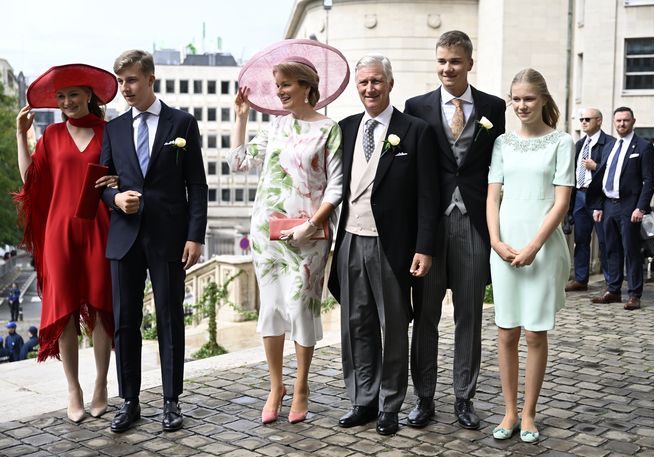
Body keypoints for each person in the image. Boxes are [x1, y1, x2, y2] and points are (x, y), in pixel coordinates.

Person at [328, 55, 440, 436]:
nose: (369, 89)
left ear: (390, 84)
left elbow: (428, 196)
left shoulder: (415, 131)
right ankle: (363, 399)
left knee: (393, 327)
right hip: (350, 241)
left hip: (393, 246)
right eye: (363, 83)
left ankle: (391, 403)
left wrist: (424, 248)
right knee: (355, 324)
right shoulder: (344, 129)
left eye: (376, 81)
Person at [229, 56, 343, 425]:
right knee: (273, 310)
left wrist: (312, 224)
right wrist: (242, 117)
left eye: (286, 85)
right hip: (267, 233)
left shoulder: (329, 129)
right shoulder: (274, 127)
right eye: (277, 85)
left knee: (300, 310)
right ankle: (276, 386)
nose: (279, 92)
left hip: (309, 235)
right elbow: (238, 163)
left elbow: (336, 186)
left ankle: (301, 387)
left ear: (307, 87)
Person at [100, 50, 207, 433]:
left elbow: (196, 185)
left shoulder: (182, 123)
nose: (124, 88)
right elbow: (102, 183)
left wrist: (195, 236)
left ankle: (171, 401)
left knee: (169, 319)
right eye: (120, 81)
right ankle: (129, 402)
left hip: (169, 238)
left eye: (131, 80)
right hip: (124, 238)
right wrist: (115, 198)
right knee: (126, 322)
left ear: (150, 79)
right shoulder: (112, 129)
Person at [403, 30, 506, 429]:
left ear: (469, 63)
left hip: (475, 224)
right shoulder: (417, 106)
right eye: (442, 61)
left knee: (469, 316)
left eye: (456, 61)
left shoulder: (494, 108)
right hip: (430, 227)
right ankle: (424, 399)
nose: (448, 68)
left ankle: (465, 398)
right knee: (425, 316)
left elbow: (499, 166)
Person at [14, 63, 117, 422]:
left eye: (74, 94)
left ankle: (102, 383)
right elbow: (31, 181)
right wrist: (21, 135)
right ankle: (73, 389)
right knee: (65, 310)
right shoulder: (52, 137)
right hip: (60, 233)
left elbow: (124, 176)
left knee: (104, 306)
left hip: (100, 228)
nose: (67, 101)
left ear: (89, 95)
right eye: (61, 96)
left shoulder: (111, 132)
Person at [485, 69, 574, 443]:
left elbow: (562, 201)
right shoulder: (502, 143)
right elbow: (492, 196)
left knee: (535, 334)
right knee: (506, 333)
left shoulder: (562, 141)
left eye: (529, 99)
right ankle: (508, 411)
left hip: (541, 247)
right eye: (516, 99)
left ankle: (529, 413)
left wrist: (535, 246)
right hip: (504, 246)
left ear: (543, 100)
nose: (521, 106)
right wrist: (495, 241)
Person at [589, 107, 654, 310]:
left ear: (633, 121)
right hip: (608, 205)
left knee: (631, 251)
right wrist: (598, 205)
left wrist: (641, 208)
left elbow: (649, 181)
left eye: (625, 120)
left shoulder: (643, 146)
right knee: (611, 249)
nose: (621, 124)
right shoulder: (610, 146)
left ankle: (635, 294)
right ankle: (614, 290)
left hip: (630, 206)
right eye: (618, 121)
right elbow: (601, 177)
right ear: (613, 122)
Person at [565, 108, 613, 292]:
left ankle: (611, 282)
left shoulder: (610, 143)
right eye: (581, 119)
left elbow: (616, 172)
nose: (583, 122)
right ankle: (581, 279)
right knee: (581, 240)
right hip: (579, 196)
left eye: (587, 119)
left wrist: (596, 166)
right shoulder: (579, 144)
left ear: (599, 121)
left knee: (605, 241)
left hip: (599, 198)